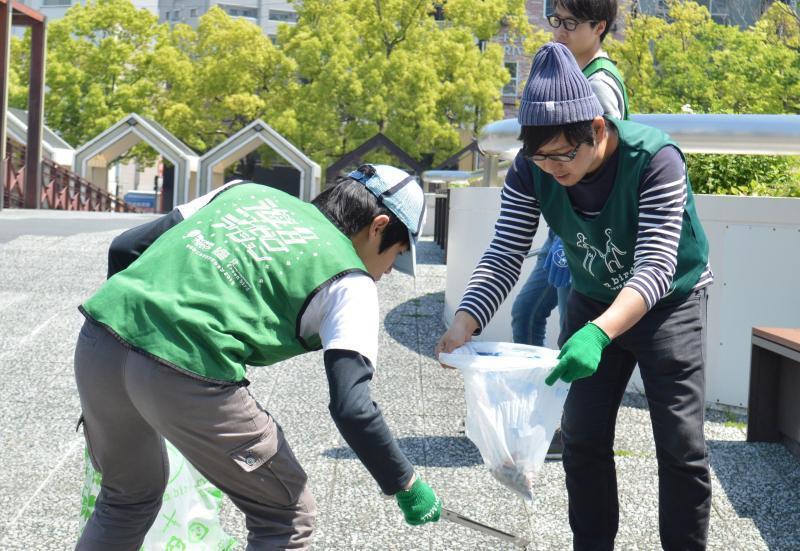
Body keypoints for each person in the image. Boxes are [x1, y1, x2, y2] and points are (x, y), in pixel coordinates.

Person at [74, 164, 441, 550]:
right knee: (285, 513)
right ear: (378, 226)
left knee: (126, 498)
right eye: (396, 255)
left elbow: (125, 248)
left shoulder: (242, 192)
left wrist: (126, 352)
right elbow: (353, 408)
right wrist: (406, 484)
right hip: (188, 368)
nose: (387, 273)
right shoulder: (351, 281)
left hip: (102, 340)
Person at [437, 42, 713, 550]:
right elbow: (505, 251)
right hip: (591, 301)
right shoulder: (530, 169)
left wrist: (599, 332)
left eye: (566, 154)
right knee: (582, 438)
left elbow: (655, 266)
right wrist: (465, 321)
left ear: (598, 129)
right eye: (541, 157)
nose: (554, 168)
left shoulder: (655, 160)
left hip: (669, 304)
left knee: (681, 446)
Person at [512, 0, 629, 461]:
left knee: (572, 331)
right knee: (527, 311)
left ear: (599, 26)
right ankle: (536, 405)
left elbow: (595, 171)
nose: (558, 31)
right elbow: (507, 242)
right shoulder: (570, 76)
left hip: (585, 234)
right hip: (562, 231)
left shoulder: (599, 85)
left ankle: (564, 424)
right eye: (554, 21)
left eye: (570, 22)